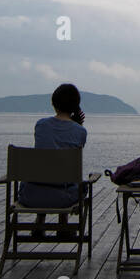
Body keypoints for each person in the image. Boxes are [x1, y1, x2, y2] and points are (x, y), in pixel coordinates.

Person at [19, 83, 87, 240]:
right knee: (70, 180)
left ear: (54, 104)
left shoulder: (41, 125)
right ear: (75, 107)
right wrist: (77, 124)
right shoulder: (80, 131)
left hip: (31, 195)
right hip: (64, 199)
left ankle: (39, 222)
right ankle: (63, 224)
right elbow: (74, 157)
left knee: (45, 172)